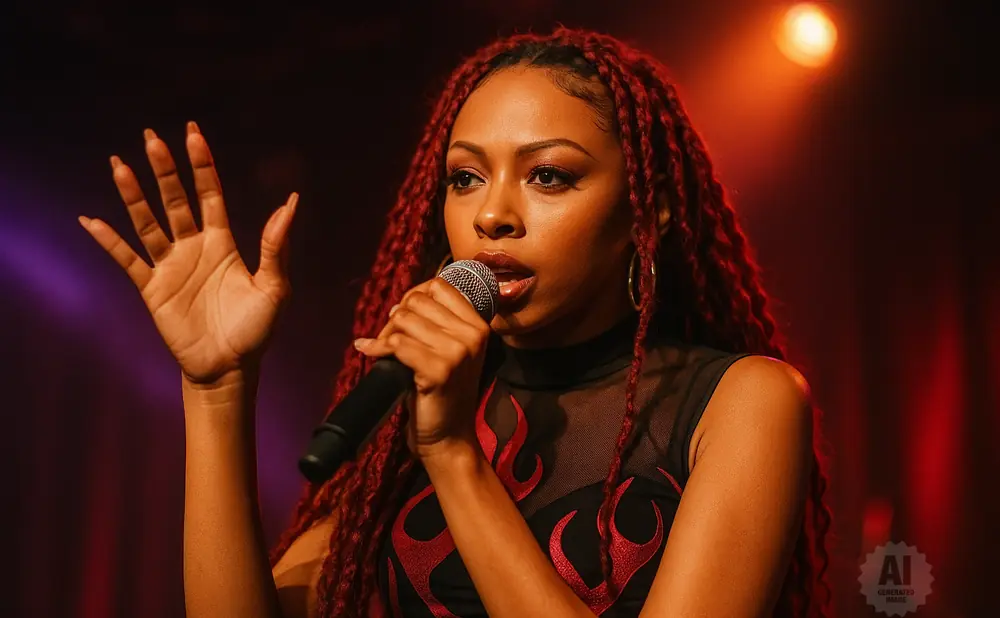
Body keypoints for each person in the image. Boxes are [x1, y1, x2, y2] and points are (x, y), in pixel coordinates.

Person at [79, 26, 832, 618]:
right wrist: (216, 390)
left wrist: (453, 456)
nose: (492, 215)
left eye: (549, 176)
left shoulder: (741, 402)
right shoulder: (427, 397)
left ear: (649, 210)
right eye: (465, 178)